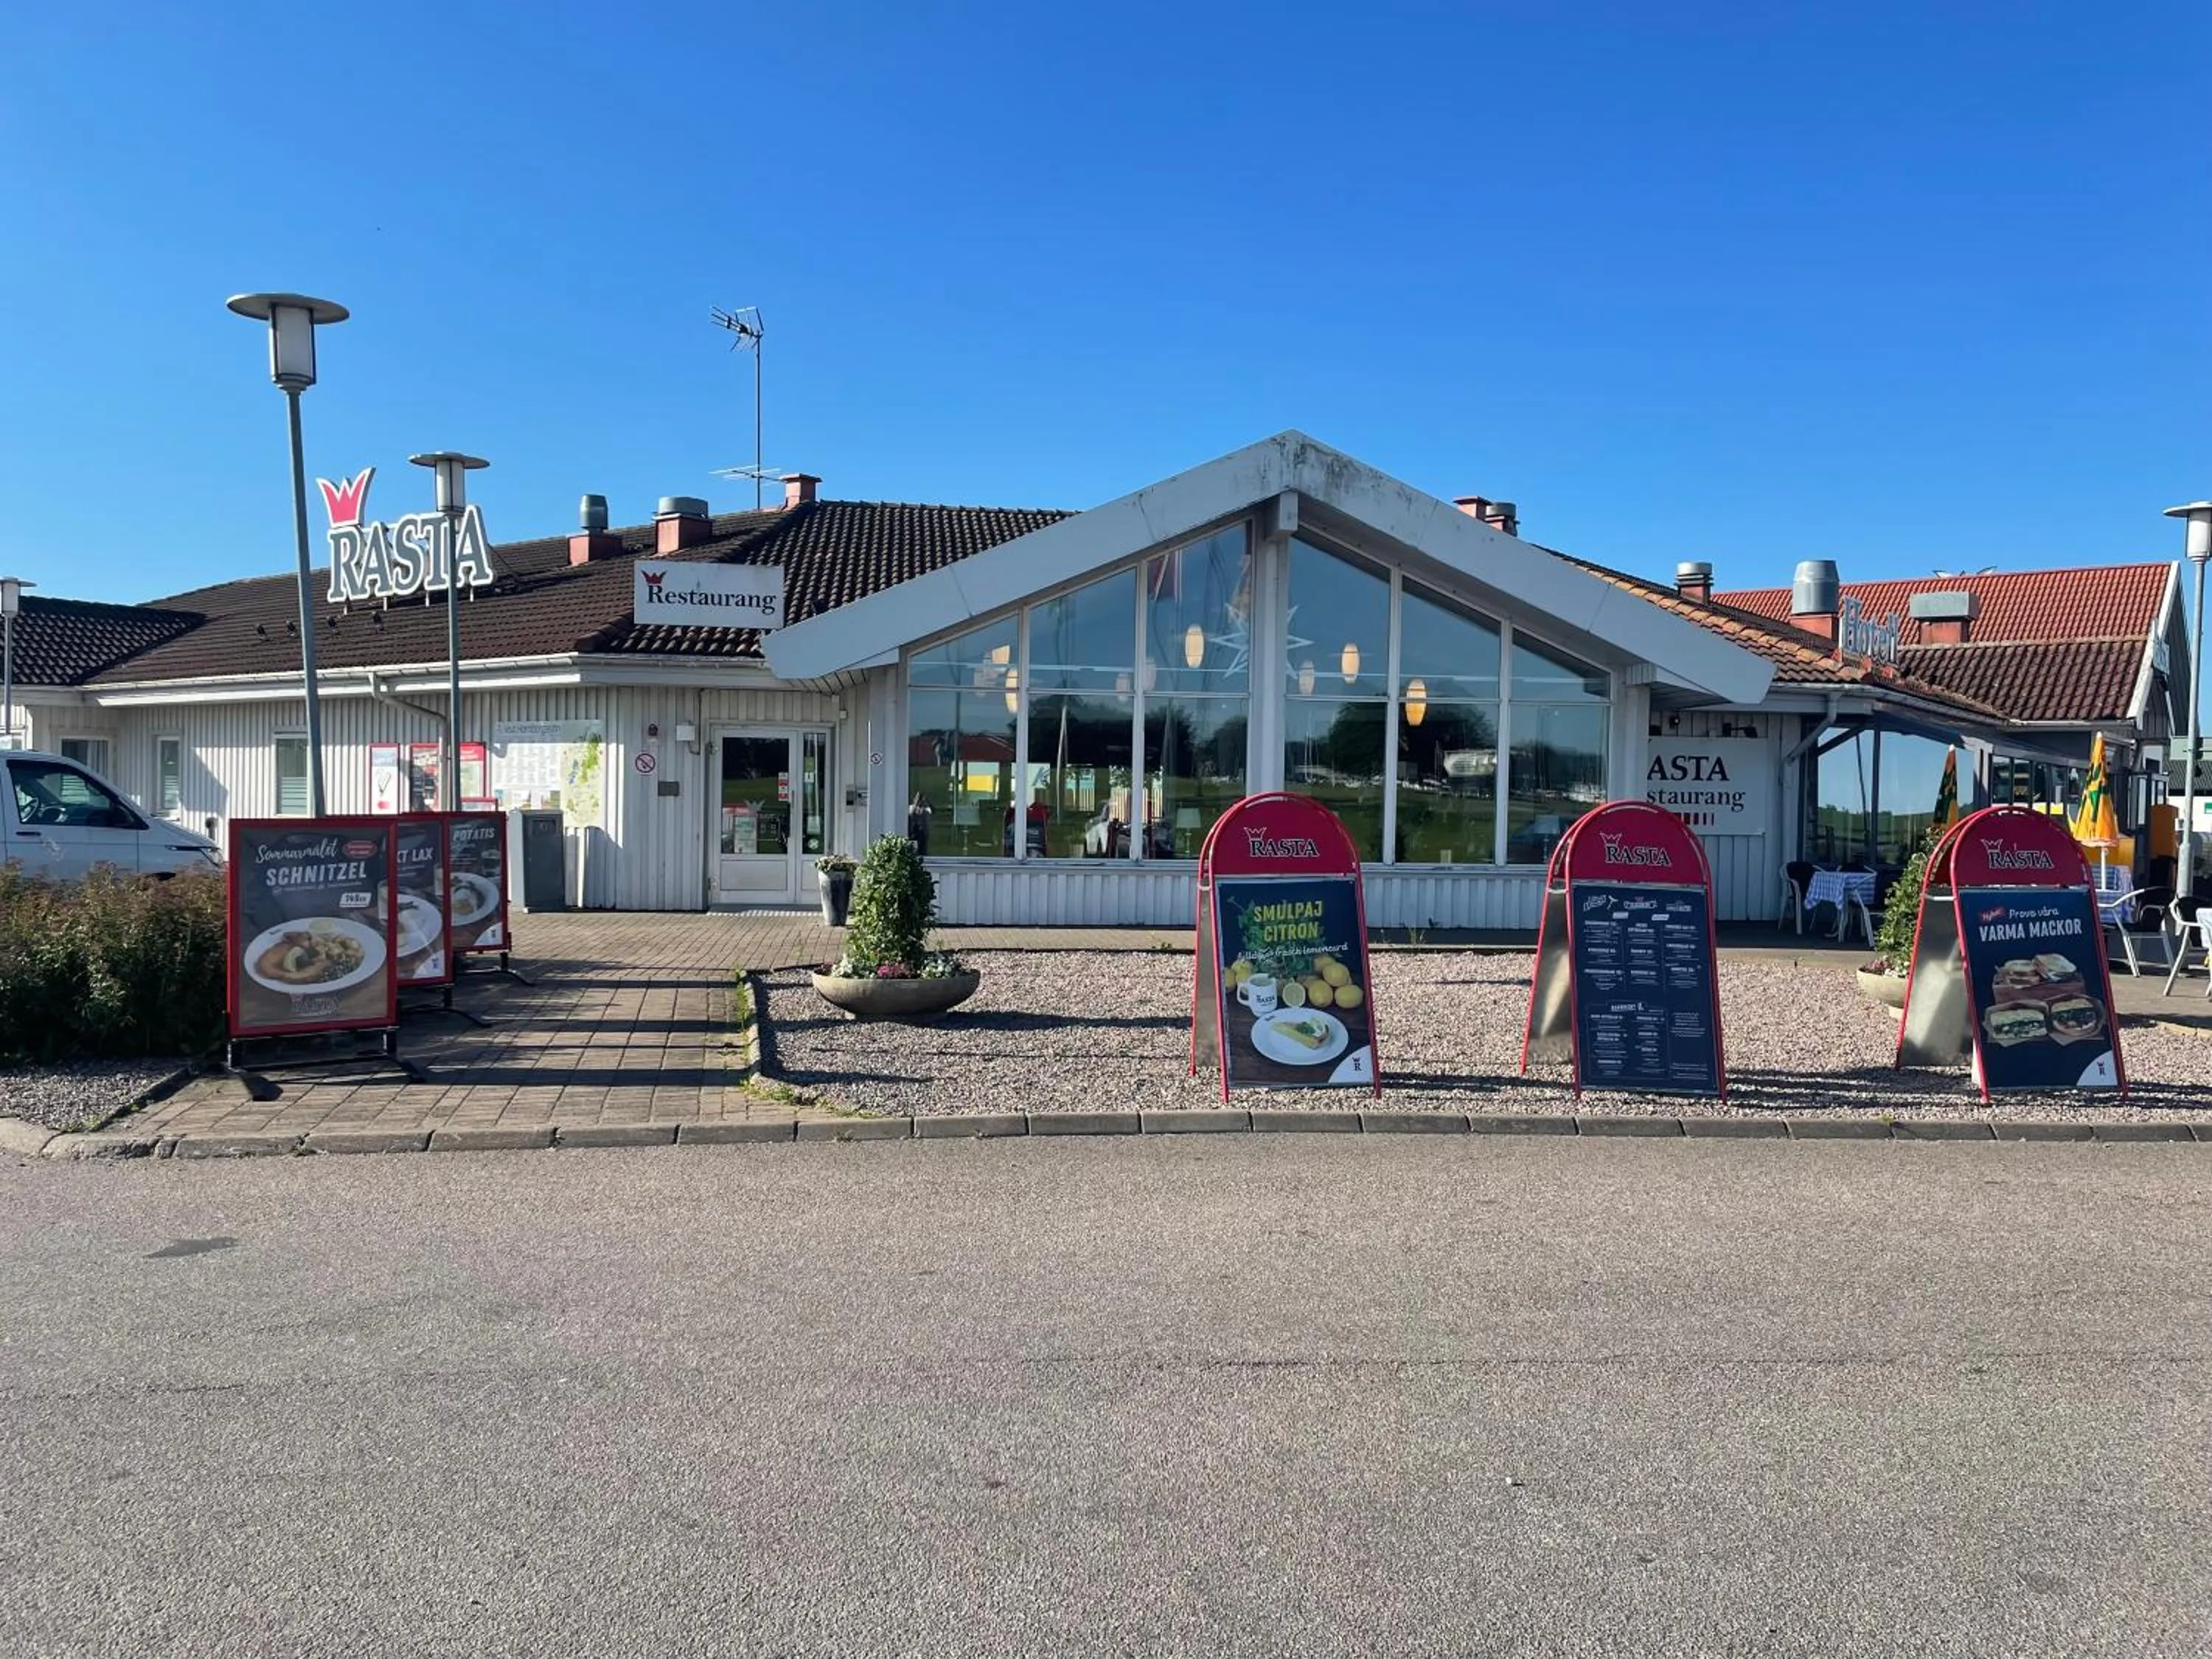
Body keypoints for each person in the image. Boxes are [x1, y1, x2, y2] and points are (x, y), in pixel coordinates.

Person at [905, 791, 932, 855]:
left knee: (921, 849)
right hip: (914, 832)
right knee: (915, 849)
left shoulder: (924, 809)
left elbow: (931, 811)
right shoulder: (911, 808)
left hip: (920, 832)